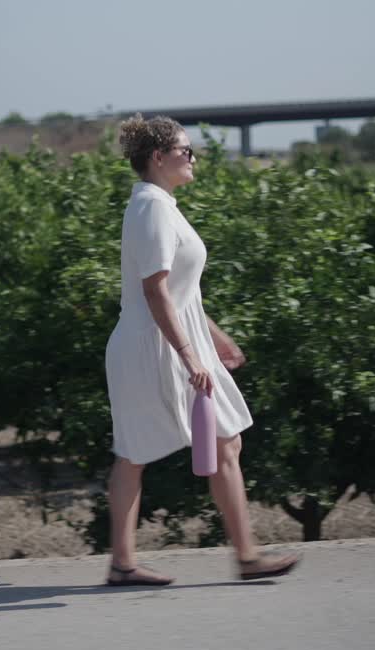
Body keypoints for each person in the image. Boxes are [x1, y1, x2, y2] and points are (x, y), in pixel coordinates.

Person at [103, 114, 300, 586]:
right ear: (158, 157)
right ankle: (126, 563)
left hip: (174, 340)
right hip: (151, 347)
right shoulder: (150, 207)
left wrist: (213, 336)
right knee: (134, 453)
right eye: (185, 150)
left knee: (225, 440)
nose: (193, 158)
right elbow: (155, 292)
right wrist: (192, 357)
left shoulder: (162, 205)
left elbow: (180, 292)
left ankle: (241, 555)